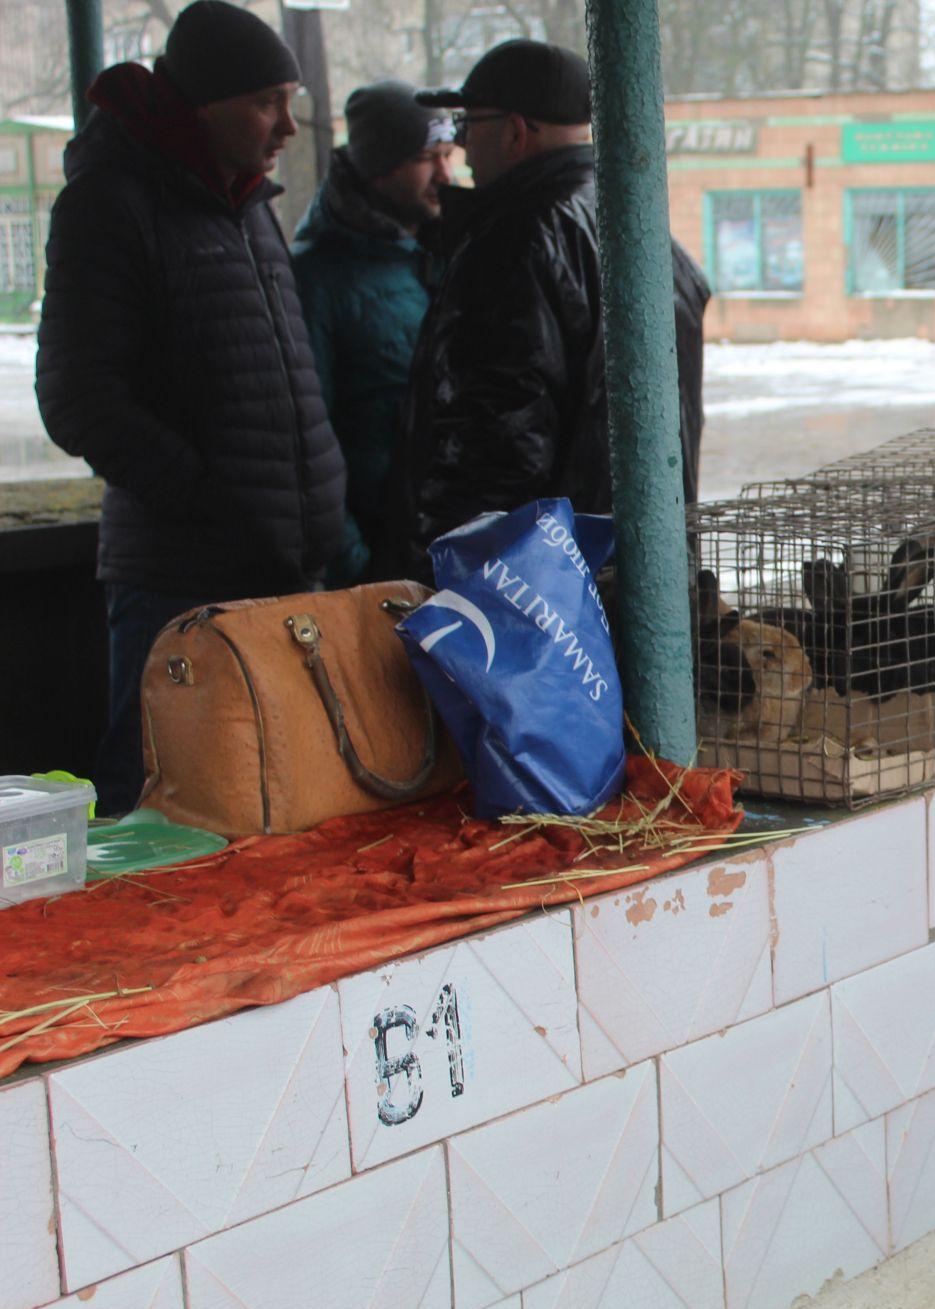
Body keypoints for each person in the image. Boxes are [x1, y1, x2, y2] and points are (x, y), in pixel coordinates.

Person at [36, 0, 345, 815]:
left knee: (267, 794)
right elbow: (77, 398)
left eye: (290, 99)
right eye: (266, 102)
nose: (287, 124)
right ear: (202, 106)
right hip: (177, 577)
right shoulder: (110, 206)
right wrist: (207, 497)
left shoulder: (248, 208)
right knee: (152, 789)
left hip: (278, 564)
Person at [387, 39, 711, 578]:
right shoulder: (634, 222)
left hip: (537, 594)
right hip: (624, 569)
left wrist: (439, 574)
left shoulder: (515, 239)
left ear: (514, 131)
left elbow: (497, 446)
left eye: (469, 126)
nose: (462, 148)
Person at [292, 81, 455, 587]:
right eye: (429, 158)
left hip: (438, 548)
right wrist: (354, 563)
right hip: (374, 562)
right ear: (380, 164)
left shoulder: (439, 251)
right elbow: (307, 431)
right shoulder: (317, 276)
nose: (446, 176)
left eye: (450, 155)